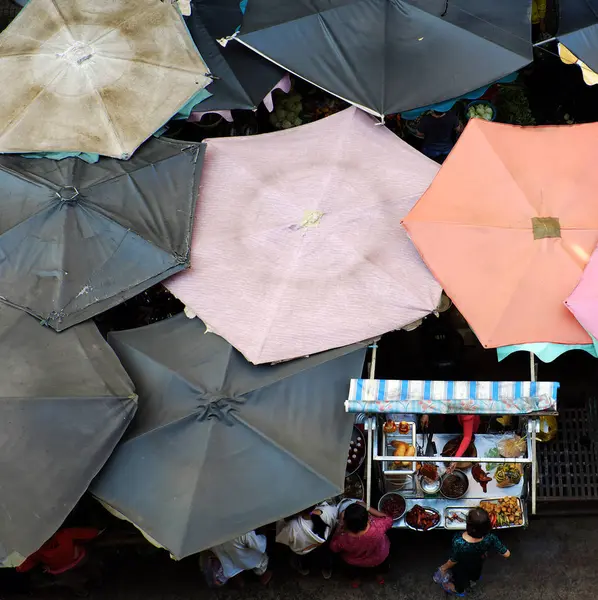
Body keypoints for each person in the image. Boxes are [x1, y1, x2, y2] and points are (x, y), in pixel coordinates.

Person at [438, 508, 510, 596]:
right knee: (475, 573)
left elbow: (454, 559)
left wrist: (443, 568)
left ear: (468, 525)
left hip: (462, 565)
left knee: (460, 579)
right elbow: (506, 554)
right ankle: (473, 580)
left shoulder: (458, 540)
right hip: (478, 561)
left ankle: (458, 590)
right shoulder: (491, 537)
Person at [16, 527, 102, 596]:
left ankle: (81, 589)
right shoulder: (63, 534)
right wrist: (96, 532)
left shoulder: (36, 552)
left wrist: (19, 567)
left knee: (67, 579)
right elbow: (86, 534)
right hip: (78, 558)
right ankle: (96, 578)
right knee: (89, 555)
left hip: (59, 570)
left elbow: (23, 566)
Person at [329, 501, 392, 587]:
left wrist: (340, 523)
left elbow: (333, 547)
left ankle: (356, 581)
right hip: (378, 558)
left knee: (353, 571)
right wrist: (368, 507)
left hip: (354, 562)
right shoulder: (378, 526)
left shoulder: (342, 538)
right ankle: (379, 577)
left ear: (346, 523)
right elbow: (388, 519)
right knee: (381, 568)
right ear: (368, 518)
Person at [276, 501, 337, 579]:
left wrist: (281, 520)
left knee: (299, 559)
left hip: (303, 550)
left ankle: (304, 569)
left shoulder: (292, 526)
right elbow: (335, 514)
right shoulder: (327, 511)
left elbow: (281, 538)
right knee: (325, 556)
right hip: (322, 545)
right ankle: (326, 570)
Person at [206, 530, 272, 587]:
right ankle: (263, 575)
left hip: (227, 566)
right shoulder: (242, 531)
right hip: (248, 562)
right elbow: (261, 547)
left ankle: (236, 577)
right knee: (263, 558)